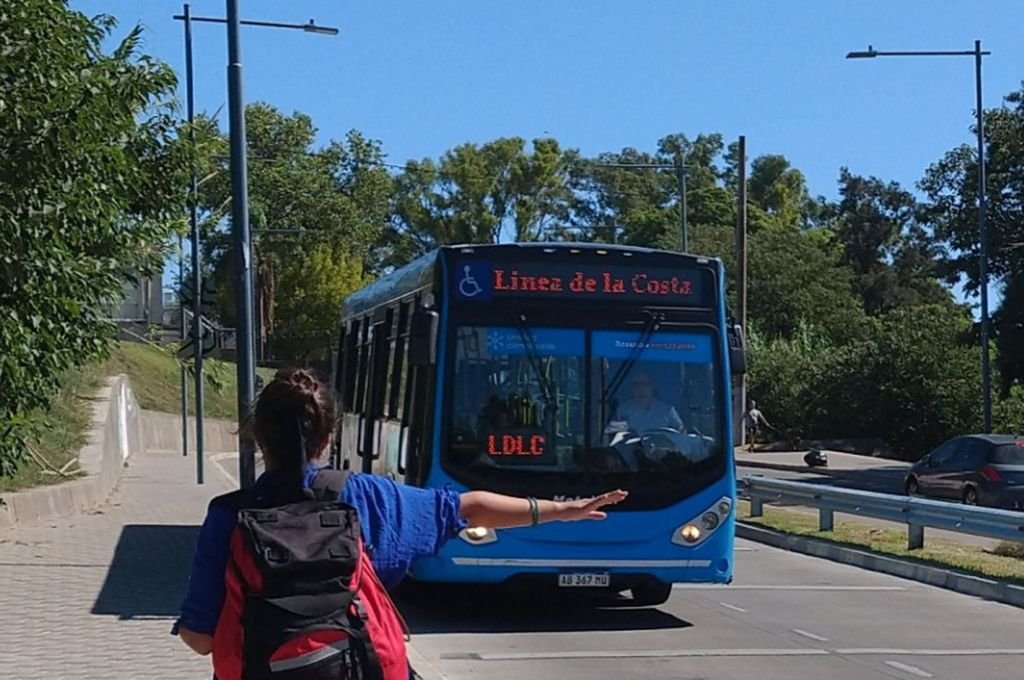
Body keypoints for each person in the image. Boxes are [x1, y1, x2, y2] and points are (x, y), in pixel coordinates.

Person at [173, 368, 626, 678]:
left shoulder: (229, 516)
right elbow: (468, 507)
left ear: (257, 435)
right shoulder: (369, 497)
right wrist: (563, 509)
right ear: (328, 438)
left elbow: (200, 637)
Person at [615, 372, 684, 433]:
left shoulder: (668, 411)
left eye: (644, 384)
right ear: (631, 388)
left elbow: (681, 432)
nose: (640, 388)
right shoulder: (622, 411)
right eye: (636, 384)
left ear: (653, 387)